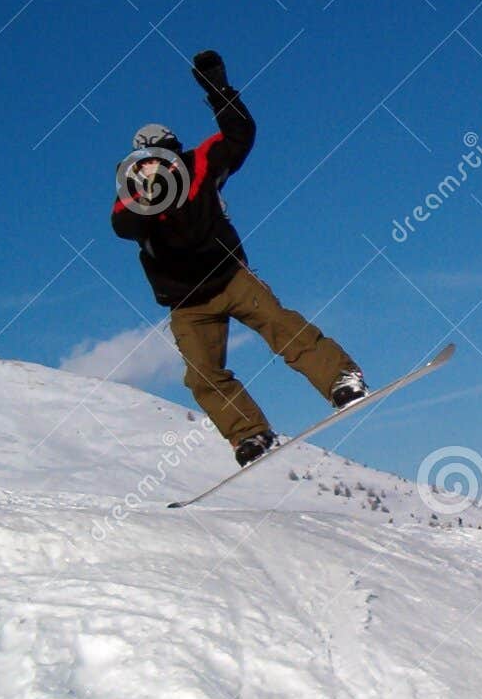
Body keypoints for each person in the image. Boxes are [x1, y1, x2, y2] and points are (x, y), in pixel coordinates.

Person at [111, 49, 365, 466]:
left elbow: (238, 134)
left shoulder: (200, 164)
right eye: (151, 161)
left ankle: (342, 379)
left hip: (228, 275)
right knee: (202, 374)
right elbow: (121, 224)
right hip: (187, 303)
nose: (162, 167)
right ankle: (250, 435)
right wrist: (151, 204)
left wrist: (219, 91)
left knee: (279, 325)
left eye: (167, 155)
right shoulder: (134, 200)